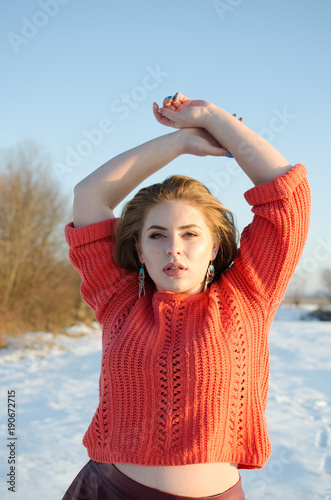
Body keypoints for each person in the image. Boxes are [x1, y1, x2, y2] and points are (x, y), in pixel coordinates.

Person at [62, 93, 311, 499]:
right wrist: (180, 143)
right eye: (157, 236)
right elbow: (90, 195)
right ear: (139, 250)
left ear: (214, 246)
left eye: (190, 234)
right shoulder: (118, 301)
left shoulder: (248, 297)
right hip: (108, 489)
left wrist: (214, 118)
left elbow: (287, 196)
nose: (173, 249)